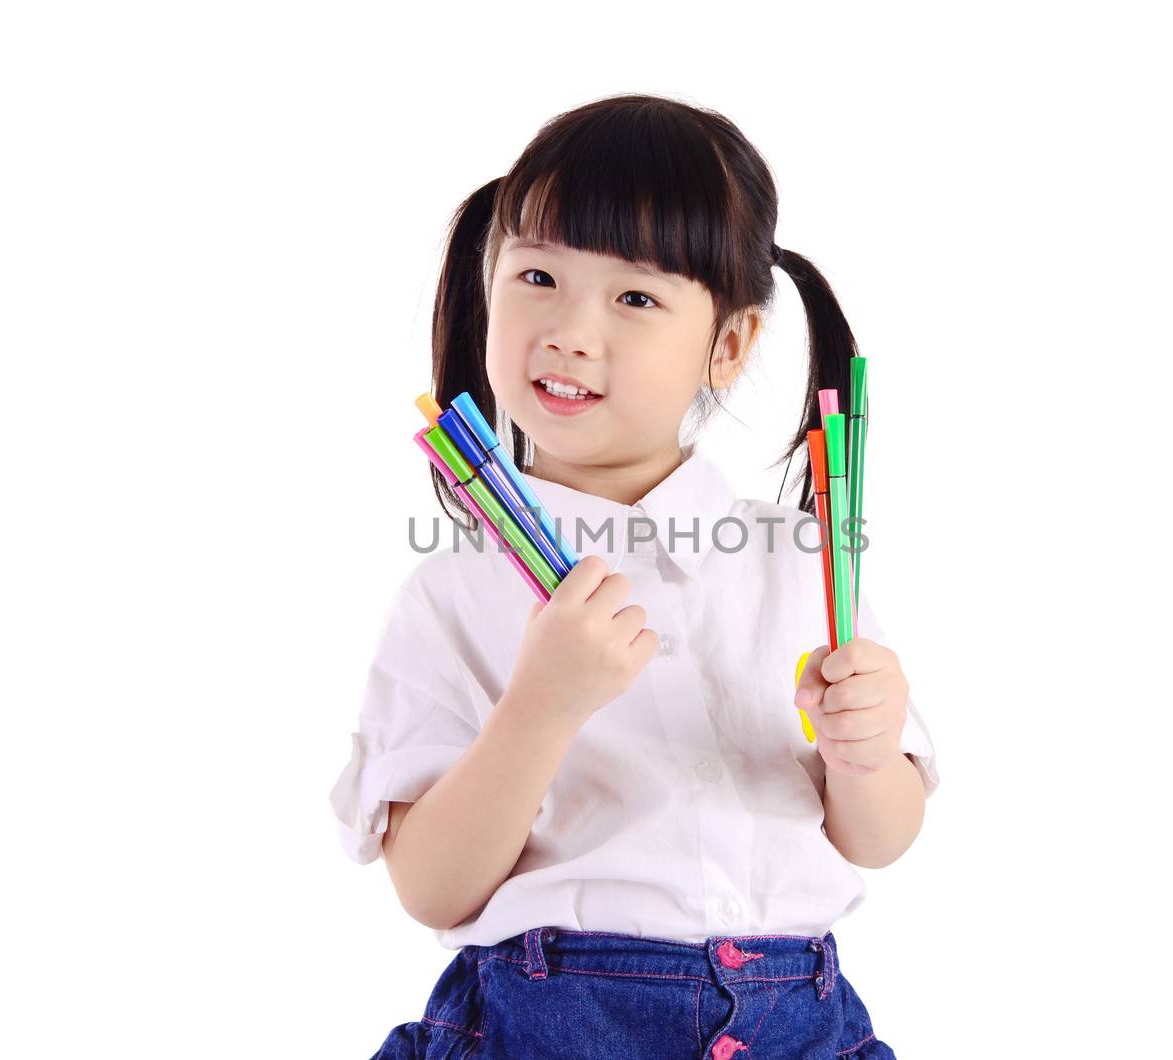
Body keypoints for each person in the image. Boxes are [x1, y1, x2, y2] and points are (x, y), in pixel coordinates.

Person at [329, 93, 940, 1060]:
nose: (572, 330)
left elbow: (876, 837)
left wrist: (865, 755)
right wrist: (540, 706)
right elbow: (431, 889)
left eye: (636, 297)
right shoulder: (457, 593)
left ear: (728, 346)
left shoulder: (802, 567)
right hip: (547, 1026)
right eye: (537, 276)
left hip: (797, 1024)